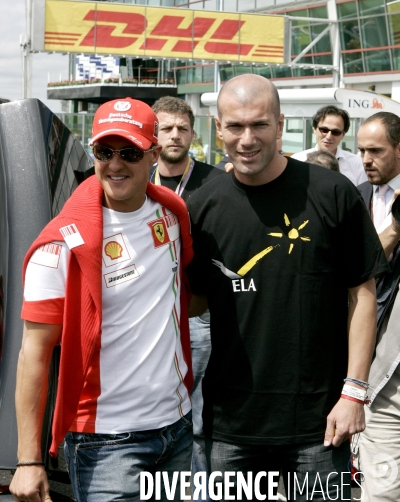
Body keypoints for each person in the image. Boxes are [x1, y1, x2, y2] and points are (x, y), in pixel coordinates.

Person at [187, 74, 388, 501]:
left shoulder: (332, 193)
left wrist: (354, 390)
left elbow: (362, 294)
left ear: (280, 126)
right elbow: (194, 301)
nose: (247, 139)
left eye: (259, 125)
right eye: (235, 126)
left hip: (319, 423)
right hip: (230, 425)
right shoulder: (200, 206)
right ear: (217, 127)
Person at [10, 98, 194, 502]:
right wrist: (28, 461)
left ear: (154, 156)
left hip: (179, 428)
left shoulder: (172, 213)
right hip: (107, 445)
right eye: (104, 152)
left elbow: (181, 296)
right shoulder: (59, 247)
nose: (115, 164)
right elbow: (33, 354)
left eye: (129, 152)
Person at [150, 95, 223, 499]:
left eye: (182, 128)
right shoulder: (136, 178)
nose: (175, 136)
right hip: (149, 312)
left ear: (194, 134)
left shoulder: (215, 182)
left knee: (196, 413)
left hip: (199, 314)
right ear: (154, 135)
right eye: (166, 129)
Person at [356, 112, 400, 502]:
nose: (366, 159)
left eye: (376, 151)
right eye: (361, 151)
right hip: (373, 359)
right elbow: (357, 270)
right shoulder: (354, 195)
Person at [292, 104, 367, 185]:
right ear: (314, 129)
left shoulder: (357, 164)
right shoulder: (297, 160)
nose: (329, 136)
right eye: (324, 130)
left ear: (343, 135)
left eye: (336, 132)